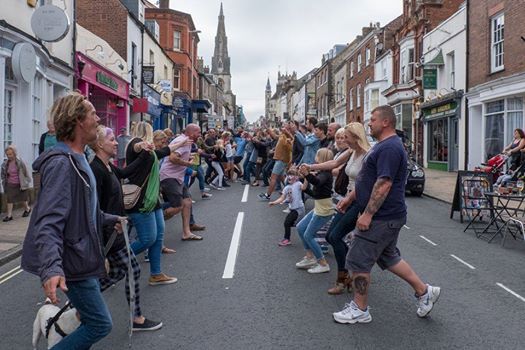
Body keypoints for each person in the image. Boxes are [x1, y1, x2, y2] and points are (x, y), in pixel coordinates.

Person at [21, 92, 121, 349]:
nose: (98, 118)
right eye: (92, 114)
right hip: (73, 261)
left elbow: (84, 212)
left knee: (87, 321)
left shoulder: (80, 160)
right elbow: (49, 221)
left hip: (82, 256)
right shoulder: (62, 165)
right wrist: (52, 267)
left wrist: (111, 219)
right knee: (100, 323)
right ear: (78, 121)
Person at [333, 105, 441, 325]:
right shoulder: (382, 146)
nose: (369, 123)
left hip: (382, 217)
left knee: (357, 260)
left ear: (385, 122)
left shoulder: (390, 148)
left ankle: (360, 309)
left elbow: (383, 184)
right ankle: (424, 291)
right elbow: (369, 179)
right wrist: (350, 198)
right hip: (386, 216)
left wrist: (368, 214)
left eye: (372, 119)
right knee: (389, 257)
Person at [90, 125, 162, 331]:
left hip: (117, 229)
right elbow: (95, 207)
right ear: (100, 143)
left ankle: (86, 301)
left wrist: (144, 155)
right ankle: (135, 317)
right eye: (112, 139)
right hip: (110, 233)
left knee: (126, 271)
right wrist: (110, 224)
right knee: (131, 270)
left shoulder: (108, 166)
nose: (116, 142)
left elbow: (125, 172)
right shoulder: (96, 170)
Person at [308, 123, 371, 295]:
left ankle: (343, 279)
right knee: (331, 236)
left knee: (335, 236)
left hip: (358, 201)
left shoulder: (367, 155)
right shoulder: (351, 151)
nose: (343, 140)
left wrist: (349, 199)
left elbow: (366, 183)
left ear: (356, 137)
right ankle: (348, 273)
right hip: (347, 199)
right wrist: (311, 167)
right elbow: (334, 163)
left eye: (346, 137)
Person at [126, 121, 179, 285]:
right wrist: (142, 144)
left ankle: (156, 274)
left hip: (152, 197)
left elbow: (164, 151)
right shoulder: (135, 145)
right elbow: (136, 147)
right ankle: (117, 259)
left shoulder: (151, 151)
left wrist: (183, 142)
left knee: (158, 236)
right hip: (141, 199)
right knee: (147, 239)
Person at [160, 123, 205, 240]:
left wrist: (189, 156)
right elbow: (172, 158)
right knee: (177, 206)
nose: (199, 135)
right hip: (170, 177)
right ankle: (154, 220)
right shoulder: (183, 141)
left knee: (187, 202)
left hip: (178, 177)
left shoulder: (188, 142)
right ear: (190, 132)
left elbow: (178, 155)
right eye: (198, 132)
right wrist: (187, 164)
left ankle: (187, 232)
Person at [295, 148, 335, 274]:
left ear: (321, 159)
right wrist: (304, 180)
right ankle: (310, 257)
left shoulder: (326, 174)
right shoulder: (320, 174)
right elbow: (315, 193)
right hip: (319, 206)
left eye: (317, 156)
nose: (315, 159)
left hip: (324, 210)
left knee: (308, 235)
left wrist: (307, 174)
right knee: (301, 227)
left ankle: (323, 263)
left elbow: (317, 183)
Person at [269, 168, 306, 246]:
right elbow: (282, 198)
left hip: (299, 209)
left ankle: (287, 239)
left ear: (297, 177)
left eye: (292, 175)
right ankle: (301, 227)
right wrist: (274, 202)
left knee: (287, 222)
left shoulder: (298, 184)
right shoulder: (286, 188)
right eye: (288, 175)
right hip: (292, 209)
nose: (289, 177)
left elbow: (304, 188)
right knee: (291, 224)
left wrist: (307, 179)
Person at [259, 125, 294, 201]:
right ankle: (290, 192)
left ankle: (267, 195)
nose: (282, 127)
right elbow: (275, 136)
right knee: (282, 178)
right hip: (279, 160)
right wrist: (267, 128)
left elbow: (291, 149)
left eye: (285, 127)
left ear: (288, 130)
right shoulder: (282, 135)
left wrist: (289, 141)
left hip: (281, 160)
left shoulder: (288, 138)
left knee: (273, 177)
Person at [1, 145, 32, 222]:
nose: (9, 156)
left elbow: (25, 172)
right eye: (7, 154)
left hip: (20, 184)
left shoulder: (20, 162)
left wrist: (27, 181)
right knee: (9, 200)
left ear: (14, 153)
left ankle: (27, 209)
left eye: (10, 154)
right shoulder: (5, 164)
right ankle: (9, 215)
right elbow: (3, 174)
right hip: (10, 184)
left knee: (23, 199)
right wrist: (4, 181)